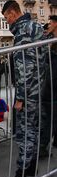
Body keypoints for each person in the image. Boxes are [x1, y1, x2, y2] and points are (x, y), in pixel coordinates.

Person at [0, 0, 48, 177]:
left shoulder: (23, 31)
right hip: (38, 87)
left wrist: (20, 97)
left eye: (6, 18)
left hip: (28, 92)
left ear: (13, 13)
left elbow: (25, 68)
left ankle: (21, 174)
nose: (7, 22)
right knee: (34, 128)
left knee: (25, 132)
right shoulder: (36, 26)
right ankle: (32, 166)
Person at [39, 15, 57, 158]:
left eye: (51, 23)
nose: (49, 25)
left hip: (53, 84)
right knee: (49, 118)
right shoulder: (49, 40)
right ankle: (42, 147)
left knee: (50, 118)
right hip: (48, 85)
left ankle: (43, 146)